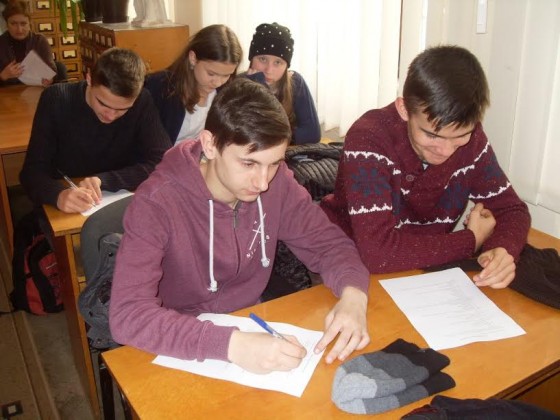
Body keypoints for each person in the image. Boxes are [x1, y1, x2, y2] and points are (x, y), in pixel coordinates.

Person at [109, 78, 370, 374]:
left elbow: (329, 244)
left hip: (252, 320)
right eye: (249, 164)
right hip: (179, 339)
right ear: (210, 145)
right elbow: (128, 315)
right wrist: (231, 345)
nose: (263, 182)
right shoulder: (156, 203)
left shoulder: (278, 183)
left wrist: (354, 295)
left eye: (274, 163)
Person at [321, 45, 531, 289]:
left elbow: (512, 209)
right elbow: (377, 253)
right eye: (432, 135)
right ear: (404, 109)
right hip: (345, 263)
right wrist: (471, 240)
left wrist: (502, 250)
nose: (446, 150)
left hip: (423, 268)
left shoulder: (473, 141)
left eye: (460, 136)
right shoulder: (369, 138)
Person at [20, 47, 170, 214]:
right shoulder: (56, 99)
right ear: (89, 79)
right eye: (103, 103)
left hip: (119, 203)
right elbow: (32, 172)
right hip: (65, 203)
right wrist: (58, 195)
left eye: (122, 109)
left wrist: (104, 180)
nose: (111, 116)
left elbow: (164, 161)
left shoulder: (142, 101)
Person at [145, 24, 242, 146]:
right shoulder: (160, 87)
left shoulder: (226, 90)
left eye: (226, 75)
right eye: (211, 74)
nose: (218, 83)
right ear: (193, 58)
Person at [244, 22, 321, 145]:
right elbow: (247, 135)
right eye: (263, 59)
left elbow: (312, 134)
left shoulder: (295, 82)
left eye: (278, 62)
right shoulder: (238, 85)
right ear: (251, 59)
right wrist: (258, 87)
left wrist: (272, 135)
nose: (269, 70)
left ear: (286, 66)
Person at [0, 0, 63, 86]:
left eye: (23, 24)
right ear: (7, 24)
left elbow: (53, 72)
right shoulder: (1, 43)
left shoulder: (40, 41)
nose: (19, 29)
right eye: (13, 24)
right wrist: (2, 76)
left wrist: (50, 79)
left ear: (29, 23)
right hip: (8, 91)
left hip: (36, 89)